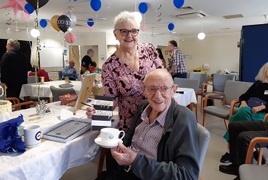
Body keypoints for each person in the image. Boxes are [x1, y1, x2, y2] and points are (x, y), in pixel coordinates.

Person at [86, 69, 199, 180]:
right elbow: (130, 136)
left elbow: (187, 175)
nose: (158, 96)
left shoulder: (183, 118)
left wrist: (135, 161)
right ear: (143, 90)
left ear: (173, 90)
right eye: (151, 89)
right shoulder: (143, 106)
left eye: (164, 88)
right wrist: (100, 116)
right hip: (124, 170)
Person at [101, 11, 163, 132]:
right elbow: (110, 98)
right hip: (132, 125)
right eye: (124, 31)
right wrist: (97, 111)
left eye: (134, 31)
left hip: (159, 117)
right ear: (116, 34)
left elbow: (164, 76)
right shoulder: (109, 66)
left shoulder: (149, 50)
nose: (129, 35)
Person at [220, 62, 268, 164]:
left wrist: (262, 107)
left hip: (263, 116)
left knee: (236, 121)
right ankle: (253, 149)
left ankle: (231, 151)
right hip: (248, 110)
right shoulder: (258, 84)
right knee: (243, 111)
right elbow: (244, 96)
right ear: (265, 71)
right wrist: (243, 102)